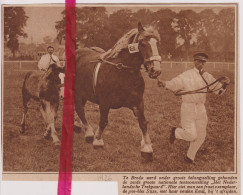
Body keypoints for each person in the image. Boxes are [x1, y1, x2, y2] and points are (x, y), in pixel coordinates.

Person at [158, 52, 230, 165]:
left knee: (201, 135)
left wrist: (225, 85)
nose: (201, 64)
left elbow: (218, 91)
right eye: (199, 61)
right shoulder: (187, 74)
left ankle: (190, 157)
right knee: (191, 135)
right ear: (194, 61)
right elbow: (175, 83)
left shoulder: (207, 76)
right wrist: (165, 84)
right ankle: (175, 132)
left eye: (203, 62)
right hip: (188, 107)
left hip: (201, 108)